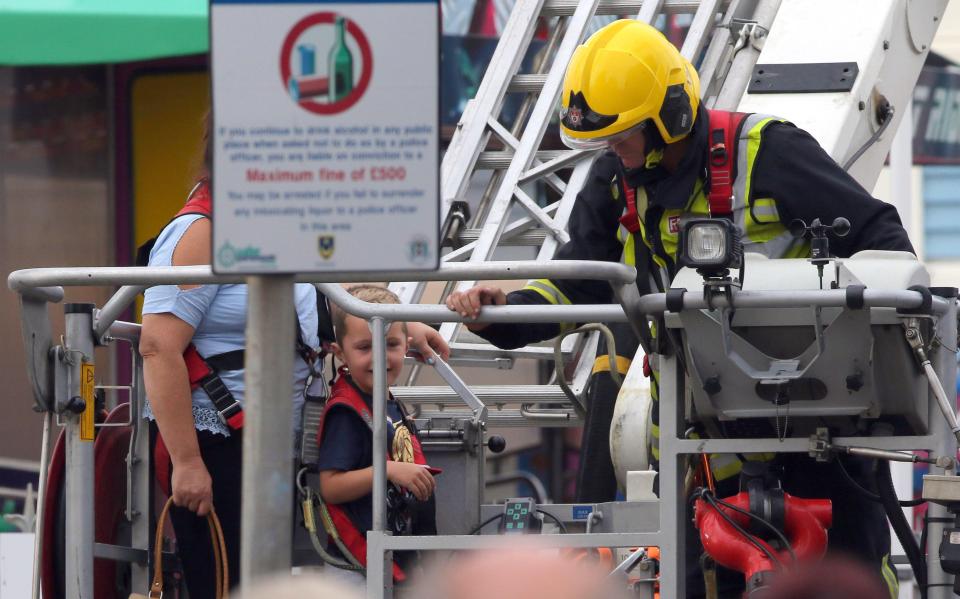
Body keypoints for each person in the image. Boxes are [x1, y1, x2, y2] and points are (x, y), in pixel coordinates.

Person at [446, 19, 910, 597]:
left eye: (622, 136)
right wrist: (500, 311)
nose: (612, 151)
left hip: (823, 438)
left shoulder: (769, 152)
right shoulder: (615, 183)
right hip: (705, 447)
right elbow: (576, 287)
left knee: (849, 580)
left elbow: (882, 237)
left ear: (670, 118)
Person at [140, 115, 449, 596]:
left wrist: (402, 322)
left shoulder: (275, 223)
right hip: (214, 441)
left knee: (256, 583)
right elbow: (158, 347)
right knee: (224, 583)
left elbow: (332, 292)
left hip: (264, 442)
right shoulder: (200, 232)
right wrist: (187, 462)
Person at [316, 284, 439, 586]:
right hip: (356, 569)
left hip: (388, 560)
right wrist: (389, 471)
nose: (380, 357)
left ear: (406, 345)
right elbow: (330, 487)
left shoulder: (387, 402)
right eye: (364, 347)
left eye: (391, 345)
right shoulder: (347, 412)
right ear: (340, 353)